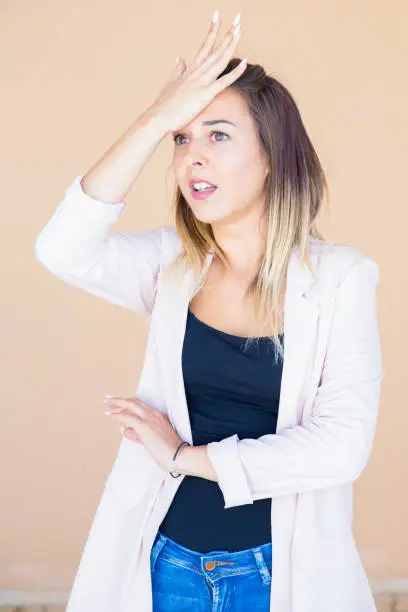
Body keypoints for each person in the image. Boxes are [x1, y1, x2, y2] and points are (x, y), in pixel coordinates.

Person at [34, 9, 383, 612]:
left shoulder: (339, 278)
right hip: (164, 558)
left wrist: (185, 459)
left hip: (274, 571)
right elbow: (62, 248)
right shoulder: (174, 264)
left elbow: (341, 446)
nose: (192, 157)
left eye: (218, 135)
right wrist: (153, 119)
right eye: (182, 139)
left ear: (272, 155)